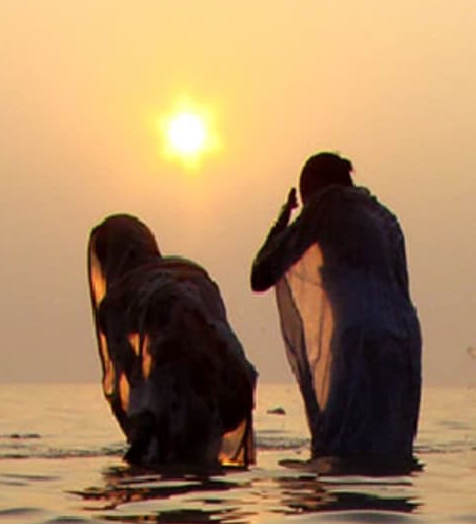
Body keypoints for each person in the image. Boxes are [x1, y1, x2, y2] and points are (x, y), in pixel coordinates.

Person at [250, 152, 422, 466]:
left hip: (359, 339)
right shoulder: (383, 217)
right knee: (391, 456)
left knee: (341, 451)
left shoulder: (327, 207)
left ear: (312, 189)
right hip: (404, 342)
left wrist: (283, 219)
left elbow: (261, 274)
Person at [88, 214, 257, 467]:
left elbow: (130, 373)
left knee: (168, 468)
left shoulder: (118, 301)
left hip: (181, 385)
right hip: (233, 376)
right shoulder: (189, 273)